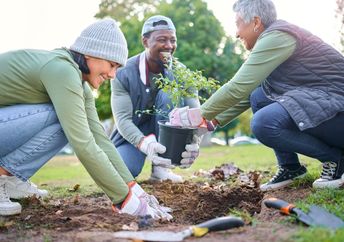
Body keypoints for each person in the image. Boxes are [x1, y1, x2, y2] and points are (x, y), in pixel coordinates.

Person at [0, 18, 172, 220]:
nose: (112, 75)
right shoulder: (62, 71)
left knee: (70, 116)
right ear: (92, 53)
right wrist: (125, 201)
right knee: (65, 116)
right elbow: (84, 144)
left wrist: (135, 191)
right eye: (112, 65)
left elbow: (100, 139)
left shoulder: (79, 83)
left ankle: (10, 179)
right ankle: (4, 176)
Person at [170, 0, 344, 191]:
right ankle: (290, 168)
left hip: (337, 107)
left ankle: (336, 160)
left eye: (238, 24)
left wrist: (199, 113)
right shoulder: (272, 43)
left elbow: (238, 87)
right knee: (259, 96)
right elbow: (249, 93)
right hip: (325, 103)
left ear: (255, 22)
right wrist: (209, 123)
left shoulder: (278, 36)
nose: (236, 33)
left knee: (264, 123)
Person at [110, 15, 201, 182]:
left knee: (169, 93)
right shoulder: (123, 73)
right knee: (122, 172)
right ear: (145, 42)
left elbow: (195, 114)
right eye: (162, 40)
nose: (169, 46)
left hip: (168, 132)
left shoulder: (183, 74)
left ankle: (161, 169)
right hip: (134, 134)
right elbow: (122, 120)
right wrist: (145, 144)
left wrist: (194, 141)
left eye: (173, 40)